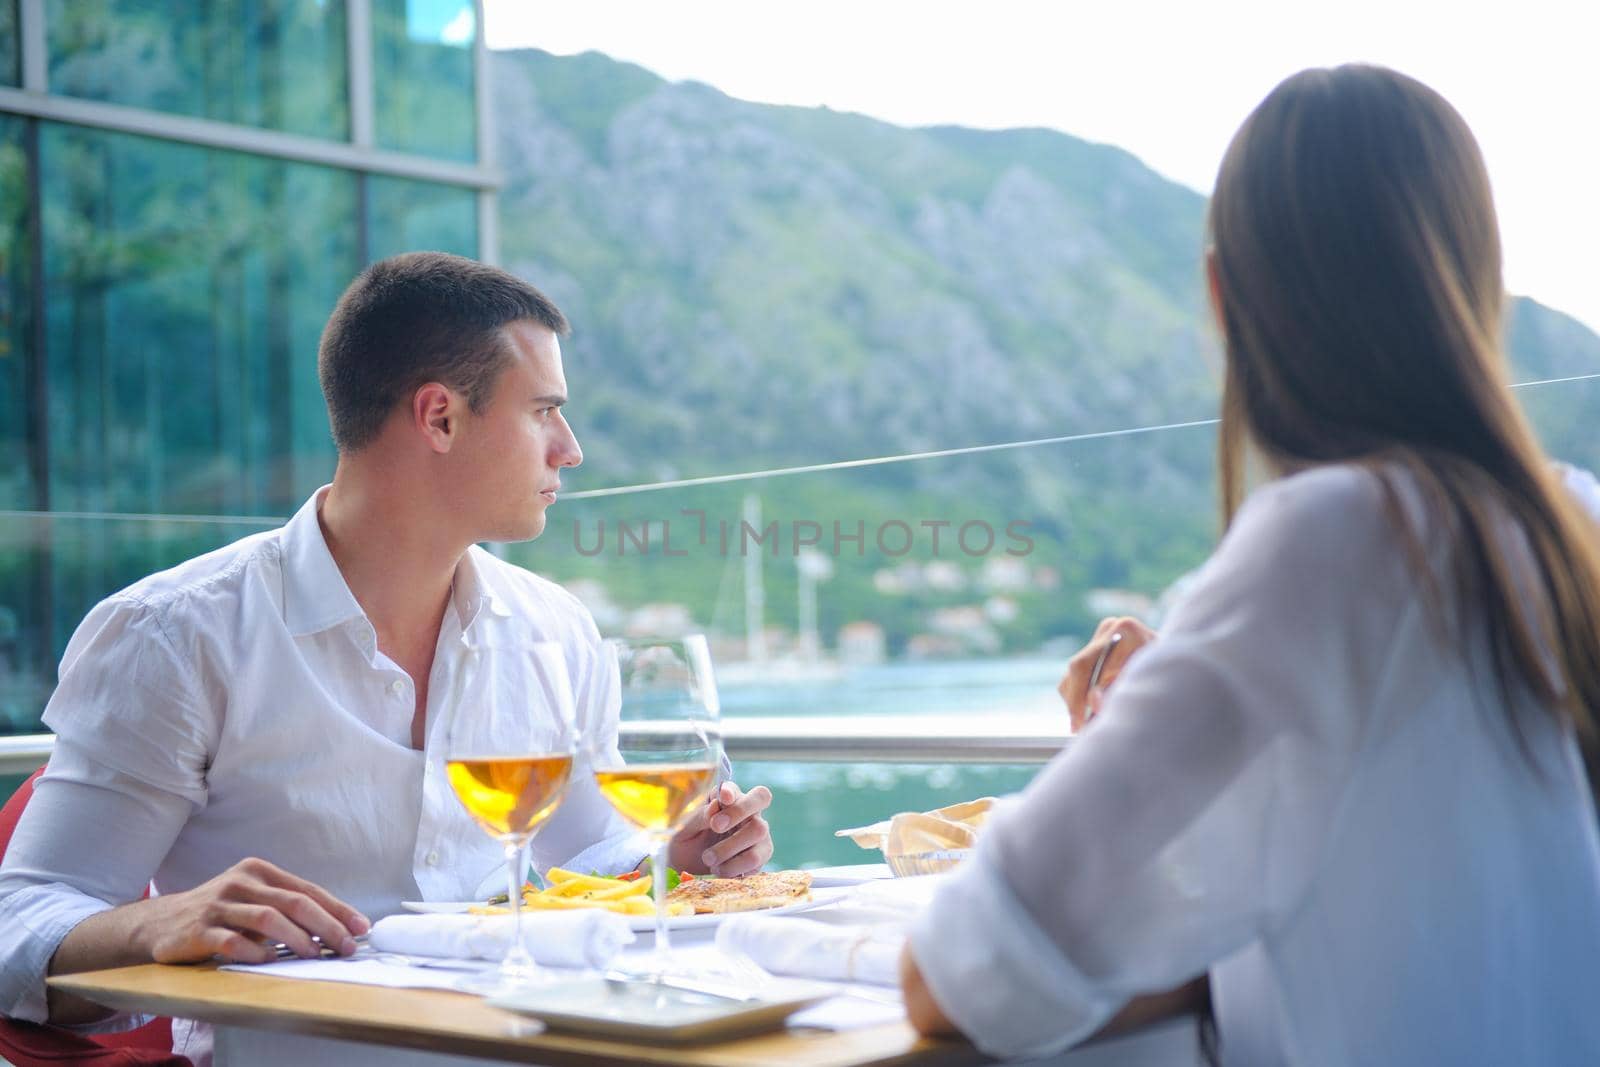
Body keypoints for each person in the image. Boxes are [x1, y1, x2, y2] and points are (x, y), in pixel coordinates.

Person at [900, 65, 1600, 1064]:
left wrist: (1135, 746)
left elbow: (955, 969)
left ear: (1224, 296)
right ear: (1483, 284)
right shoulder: (1570, 520)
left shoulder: (1333, 537)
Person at [0, 252, 775, 1055]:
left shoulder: (556, 630)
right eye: (543, 411)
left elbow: (585, 854)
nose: (570, 449)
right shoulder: (176, 635)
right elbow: (19, 925)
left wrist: (677, 855)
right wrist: (154, 920)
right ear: (439, 417)